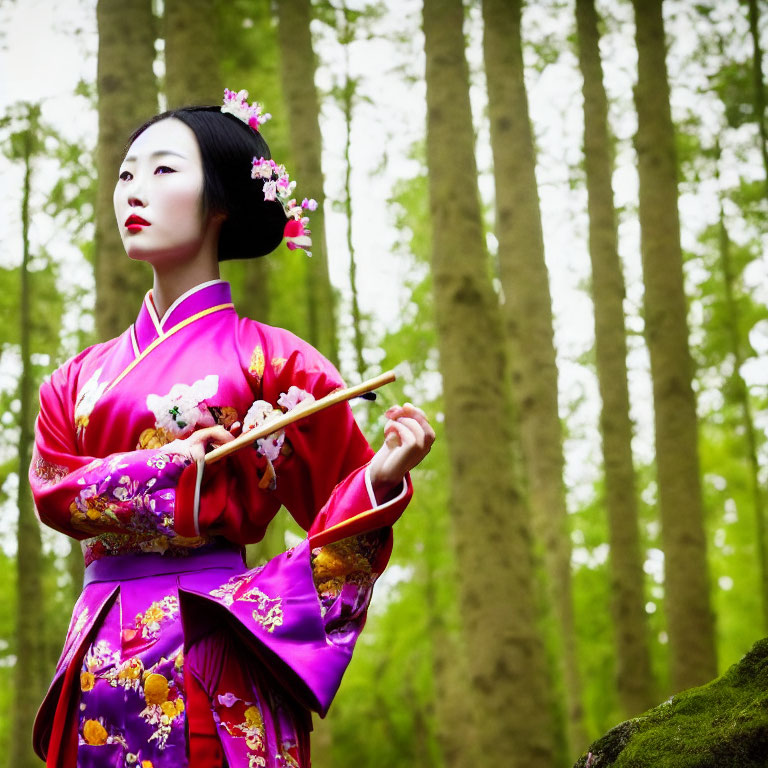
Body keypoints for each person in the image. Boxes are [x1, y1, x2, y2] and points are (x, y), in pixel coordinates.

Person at [29, 89, 434, 768]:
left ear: (220, 202)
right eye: (126, 174)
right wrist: (174, 466)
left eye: (163, 170)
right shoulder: (73, 380)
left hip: (213, 648)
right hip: (99, 653)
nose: (133, 189)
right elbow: (53, 492)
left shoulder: (278, 363)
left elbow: (336, 515)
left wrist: (381, 479)